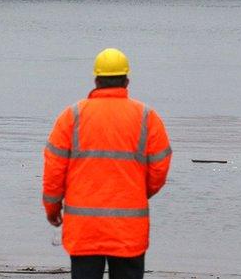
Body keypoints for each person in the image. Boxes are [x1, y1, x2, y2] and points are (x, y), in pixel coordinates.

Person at [42, 49, 172, 279]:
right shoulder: (146, 117)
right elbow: (159, 167)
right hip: (128, 231)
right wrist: (138, 193)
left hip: (84, 231)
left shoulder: (72, 116)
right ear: (127, 80)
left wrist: (52, 208)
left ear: (96, 80)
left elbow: (54, 169)